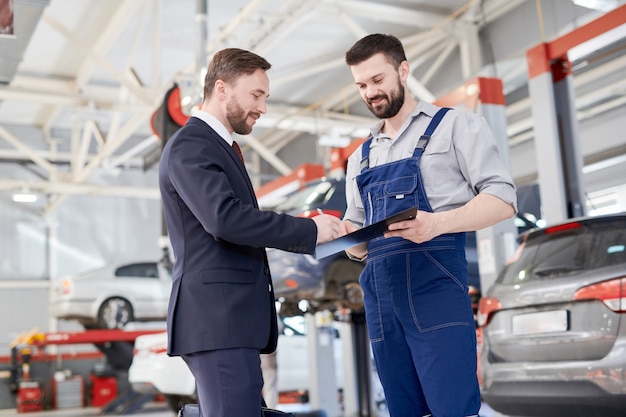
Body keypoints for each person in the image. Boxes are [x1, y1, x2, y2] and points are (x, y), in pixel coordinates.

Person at [158, 47, 344, 417]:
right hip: (218, 318)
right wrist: (309, 230)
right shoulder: (192, 144)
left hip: (230, 322)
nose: (262, 107)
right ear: (222, 88)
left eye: (265, 97)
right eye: (256, 95)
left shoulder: (221, 147)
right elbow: (225, 219)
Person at [342, 34, 517, 417]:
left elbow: (503, 200)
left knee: (452, 406)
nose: (370, 92)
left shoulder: (456, 126)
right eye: (361, 85)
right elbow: (358, 239)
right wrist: (342, 236)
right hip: (381, 297)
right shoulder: (360, 157)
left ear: (403, 71)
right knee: (403, 408)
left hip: (434, 287)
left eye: (377, 80)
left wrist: (437, 224)